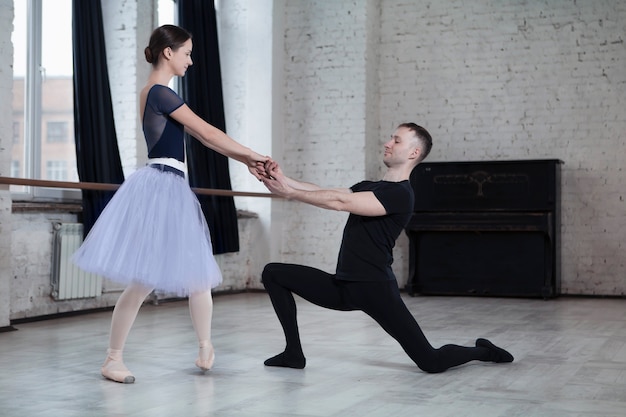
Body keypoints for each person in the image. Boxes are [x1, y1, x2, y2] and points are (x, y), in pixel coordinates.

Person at [72, 24, 269, 383]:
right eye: (187, 53)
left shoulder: (158, 93)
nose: (190, 61)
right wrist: (256, 155)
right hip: (162, 187)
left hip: (172, 187)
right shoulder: (159, 93)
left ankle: (205, 345)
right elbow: (208, 132)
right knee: (144, 280)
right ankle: (113, 358)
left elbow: (207, 139)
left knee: (197, 275)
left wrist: (247, 161)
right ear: (168, 52)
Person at [259, 123, 514, 373]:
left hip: (375, 289)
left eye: (397, 140)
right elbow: (325, 191)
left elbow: (339, 202)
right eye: (391, 138)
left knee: (431, 362)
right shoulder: (369, 186)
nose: (387, 143)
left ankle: (483, 351)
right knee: (273, 273)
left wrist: (290, 194)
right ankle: (293, 353)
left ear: (413, 153)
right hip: (343, 286)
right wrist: (283, 180)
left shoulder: (401, 194)